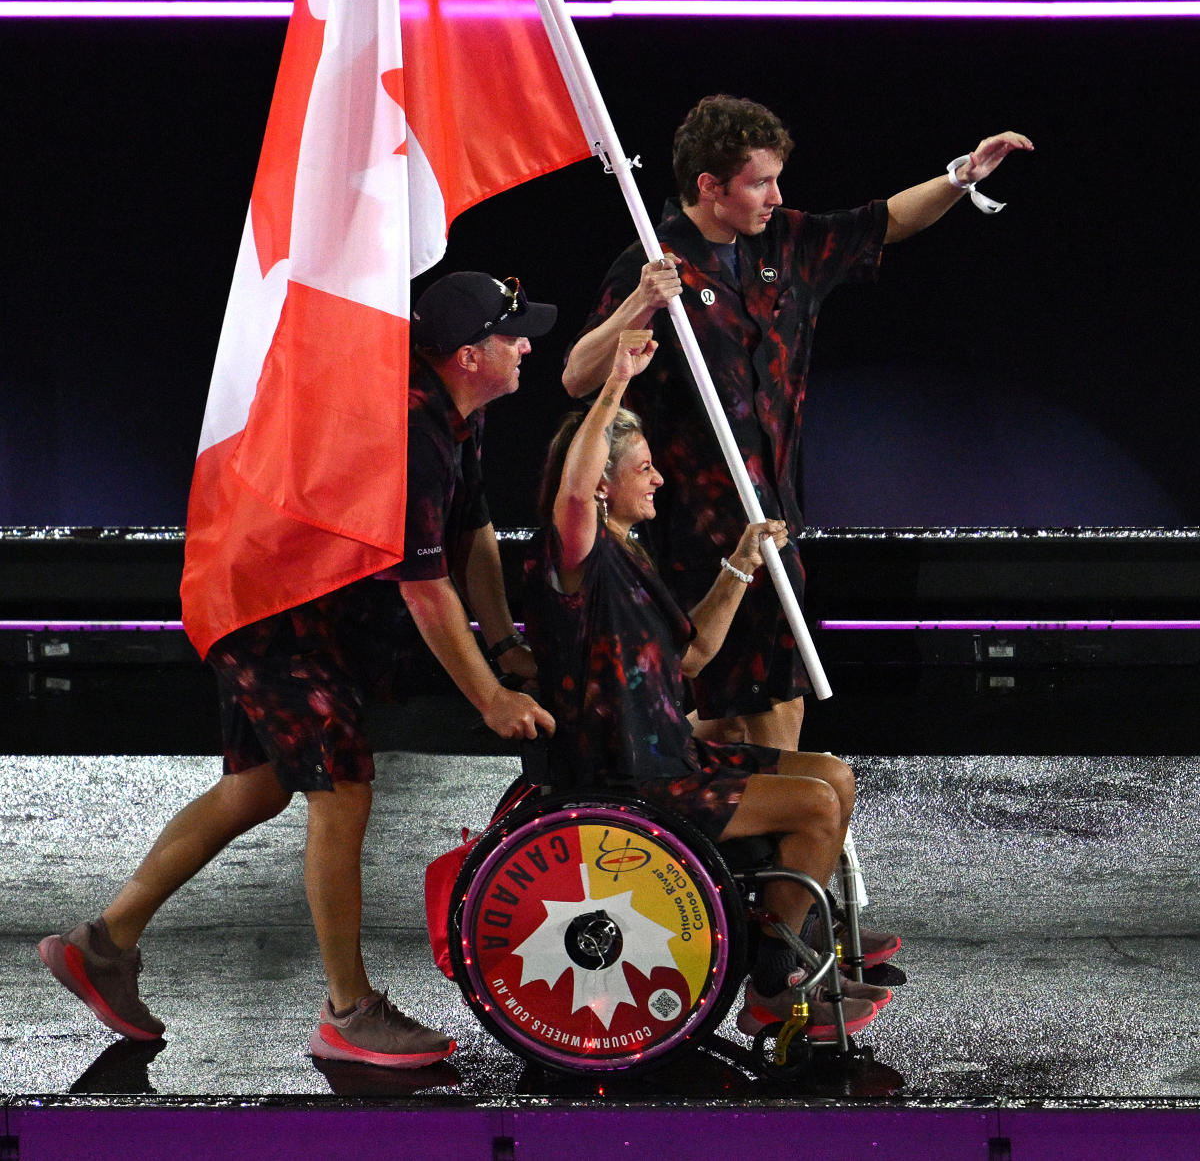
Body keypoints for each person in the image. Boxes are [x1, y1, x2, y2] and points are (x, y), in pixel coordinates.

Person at [39, 271, 557, 1070]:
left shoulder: (458, 414)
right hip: (271, 613)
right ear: (466, 355)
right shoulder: (410, 434)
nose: (526, 344)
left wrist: (505, 644)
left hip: (277, 600)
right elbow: (424, 589)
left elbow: (475, 533)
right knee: (342, 789)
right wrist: (489, 695)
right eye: (512, 334)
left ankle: (102, 944)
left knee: (258, 785)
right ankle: (349, 1013)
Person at [563, 94, 1033, 753]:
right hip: (690, 545)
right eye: (759, 181)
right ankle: (662, 807)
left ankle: (779, 838)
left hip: (774, 530)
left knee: (778, 708)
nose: (775, 195)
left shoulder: (790, 244)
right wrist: (639, 304)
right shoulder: (655, 261)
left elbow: (887, 221)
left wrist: (961, 178)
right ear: (710, 186)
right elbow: (576, 376)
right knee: (698, 710)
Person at [526, 329, 891, 1040]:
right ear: (602, 484)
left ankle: (799, 943)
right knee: (814, 808)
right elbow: (571, 491)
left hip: (671, 754)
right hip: (629, 780)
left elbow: (689, 660)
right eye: (644, 469)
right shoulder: (575, 558)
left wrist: (741, 563)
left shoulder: (630, 553)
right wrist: (613, 387)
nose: (659, 478)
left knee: (835, 778)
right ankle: (772, 984)